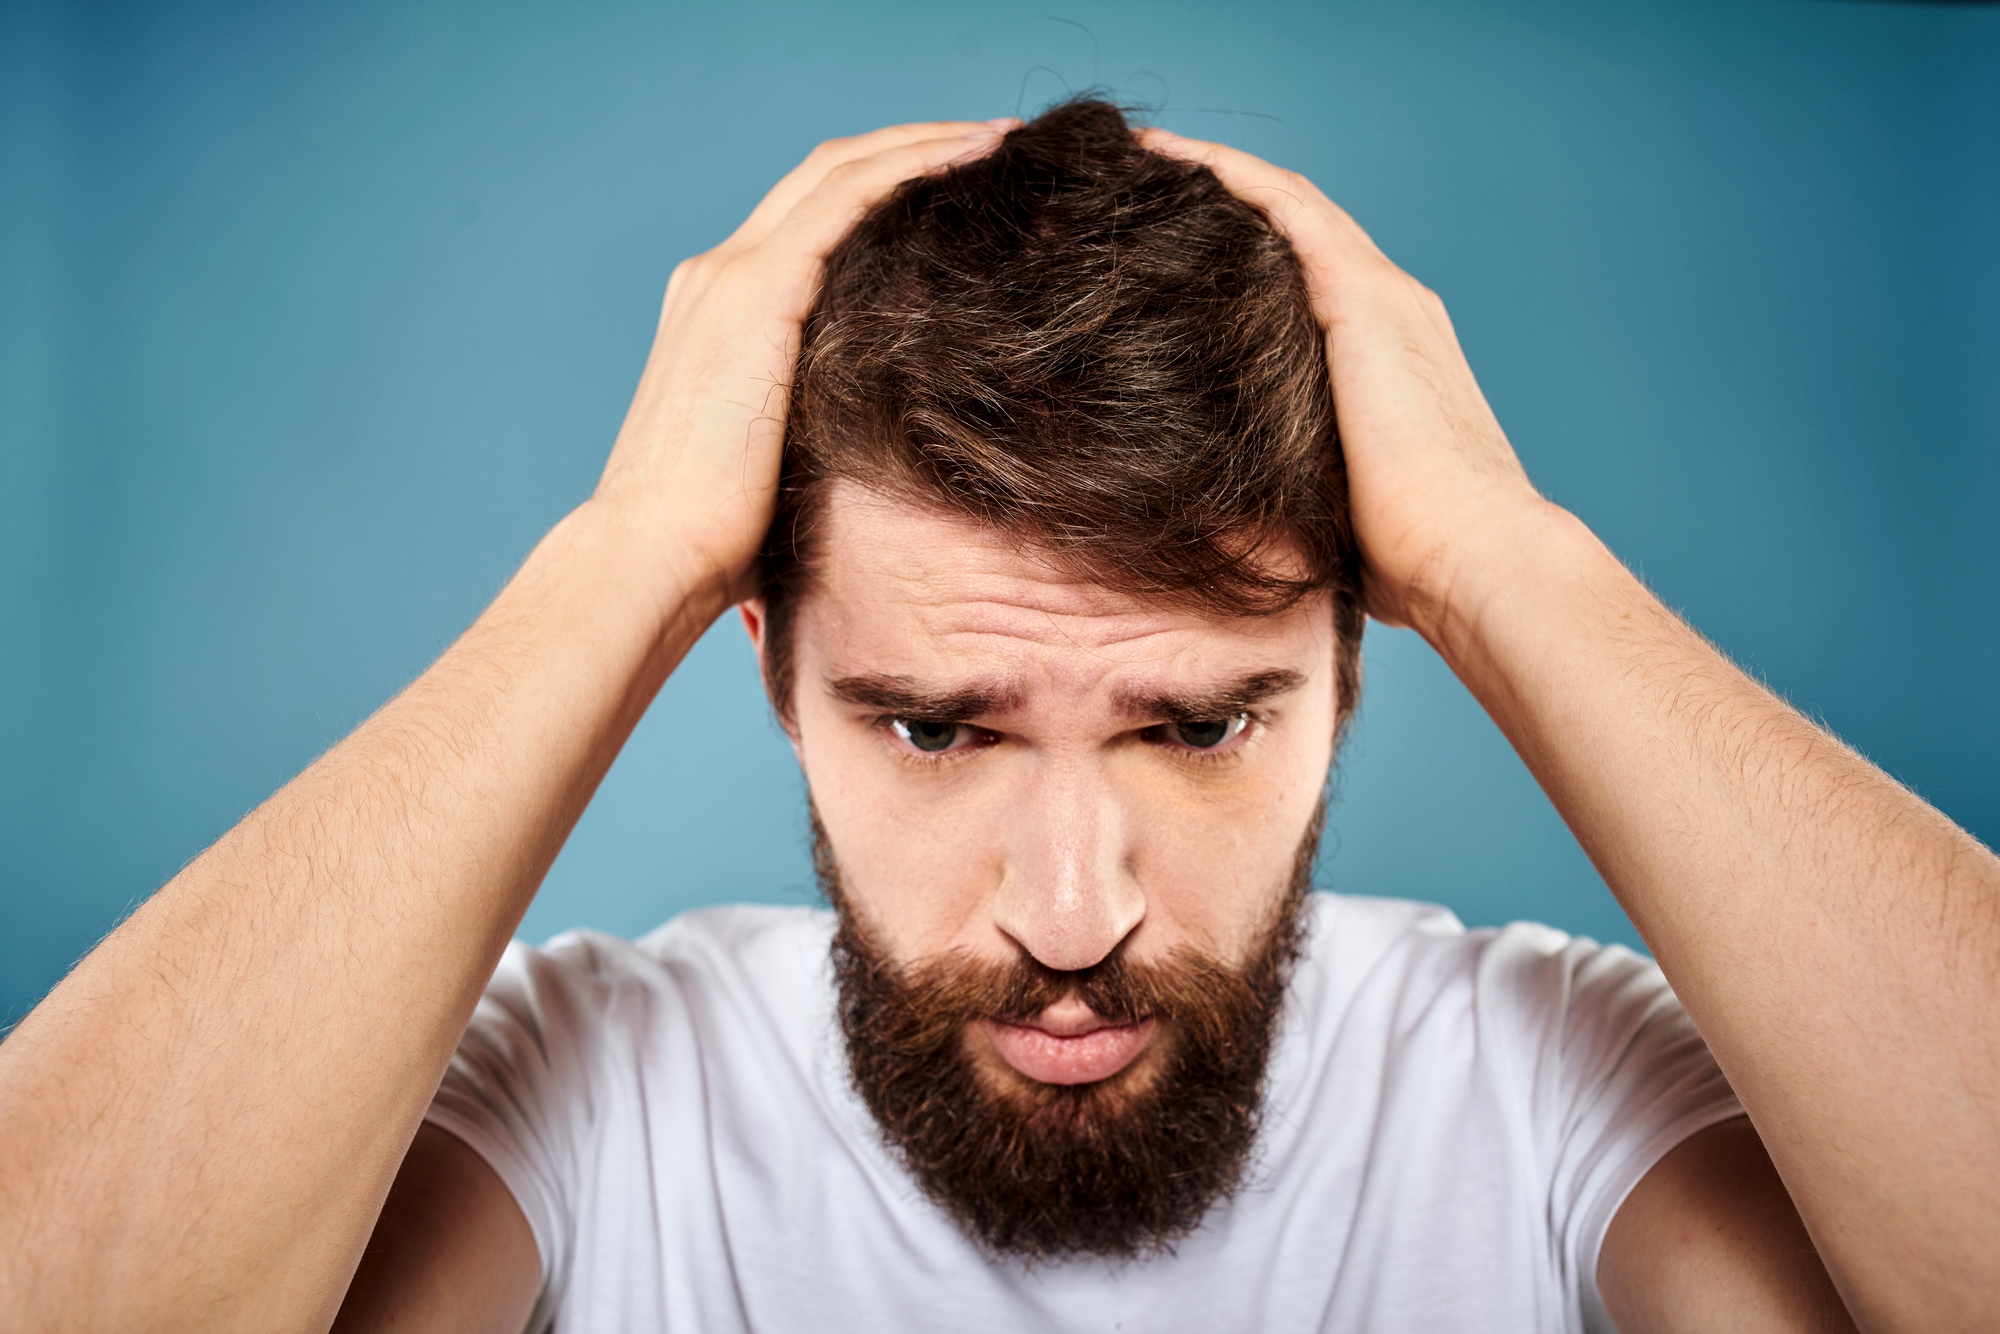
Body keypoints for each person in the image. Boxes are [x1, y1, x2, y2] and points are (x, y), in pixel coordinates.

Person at [0, 97, 1993, 1334]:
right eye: (938, 727)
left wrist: (1500, 553)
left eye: (1199, 724)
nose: (1067, 909)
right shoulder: (582, 1094)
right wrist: (617, 561)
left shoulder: (1545, 1082)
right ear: (769, 664)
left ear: (1358, 661)